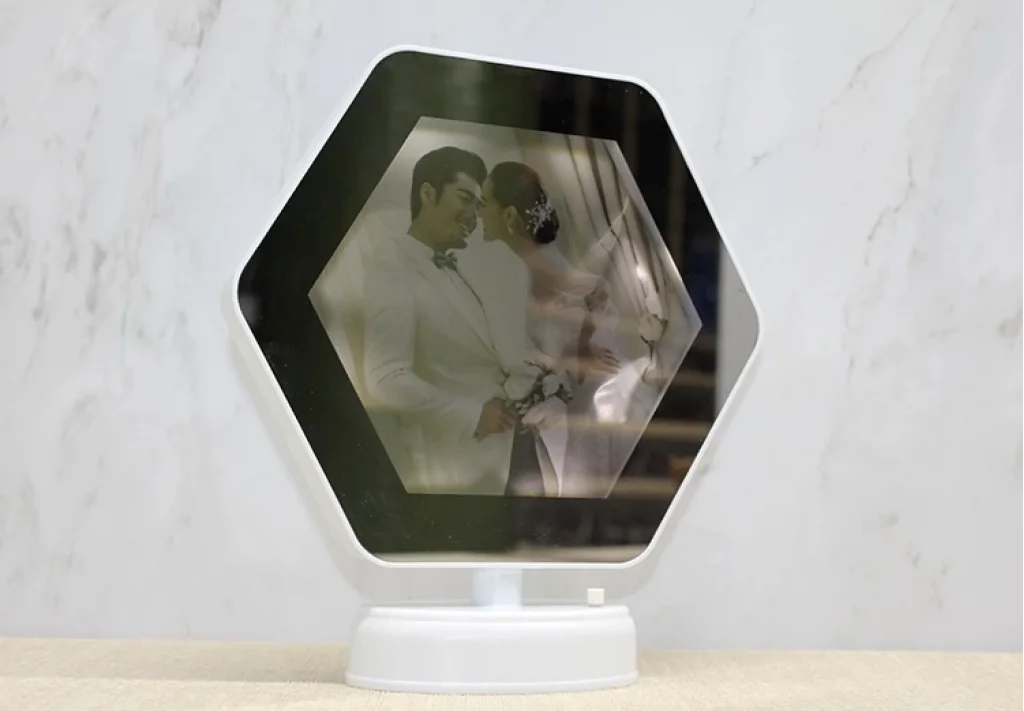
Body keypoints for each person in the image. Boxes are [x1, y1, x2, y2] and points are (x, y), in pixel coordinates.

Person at [361, 147, 518, 495]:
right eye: (465, 199)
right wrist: (472, 415)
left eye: (479, 205)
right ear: (428, 194)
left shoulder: (456, 267)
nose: (474, 217)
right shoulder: (392, 266)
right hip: (454, 465)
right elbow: (384, 378)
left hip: (498, 458)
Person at [479, 161, 629, 497]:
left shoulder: (537, 266)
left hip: (561, 407)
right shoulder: (511, 266)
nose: (479, 211)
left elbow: (594, 292)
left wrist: (580, 347)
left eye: (485, 202)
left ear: (508, 216)